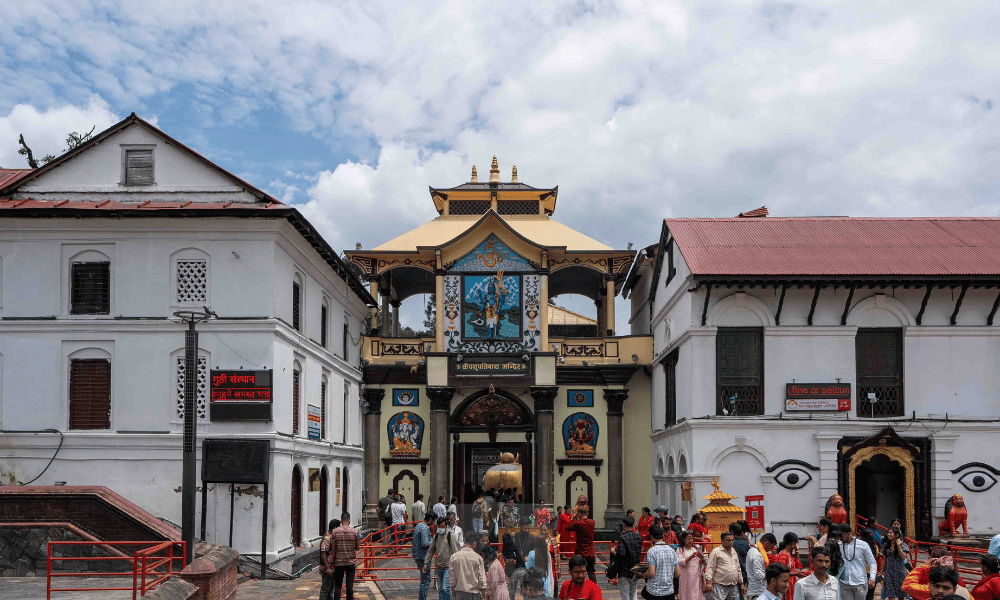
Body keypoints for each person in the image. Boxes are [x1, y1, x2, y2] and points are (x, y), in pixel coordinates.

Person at [904, 547, 970, 600]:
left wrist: (923, 567)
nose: (940, 591)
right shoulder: (960, 585)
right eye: (936, 586)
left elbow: (907, 586)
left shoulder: (929, 586)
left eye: (946, 588)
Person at [426, 517, 461, 600]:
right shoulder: (436, 537)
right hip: (439, 567)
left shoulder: (450, 536)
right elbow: (431, 551)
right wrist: (426, 563)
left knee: (446, 588)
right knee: (441, 589)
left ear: (445, 526)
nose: (440, 528)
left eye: (442, 527)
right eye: (439, 527)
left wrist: (456, 567)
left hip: (448, 567)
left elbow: (455, 552)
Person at [327, 512, 360, 600]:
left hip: (339, 562)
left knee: (338, 586)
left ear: (341, 521)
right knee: (349, 587)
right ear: (349, 520)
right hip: (350, 562)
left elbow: (333, 549)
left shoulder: (335, 532)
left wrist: (332, 561)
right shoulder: (355, 532)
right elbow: (357, 548)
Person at [839, 525, 878, 600]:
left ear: (848, 533)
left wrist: (872, 578)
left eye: (841, 535)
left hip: (860, 582)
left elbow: (872, 562)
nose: (840, 537)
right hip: (844, 583)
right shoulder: (839, 545)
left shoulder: (863, 545)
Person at [642, 525, 680, 600]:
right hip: (669, 592)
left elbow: (651, 573)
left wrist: (641, 574)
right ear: (662, 536)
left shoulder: (652, 551)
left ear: (652, 537)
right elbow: (678, 574)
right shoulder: (672, 551)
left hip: (654, 592)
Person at [706, 531, 746, 600]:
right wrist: (709, 583)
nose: (731, 542)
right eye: (728, 540)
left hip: (733, 586)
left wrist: (741, 584)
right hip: (720, 586)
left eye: (732, 540)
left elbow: (738, 568)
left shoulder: (734, 551)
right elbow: (710, 568)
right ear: (722, 540)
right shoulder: (716, 552)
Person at [451, 528, 488, 600]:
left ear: (464, 541)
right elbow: (482, 579)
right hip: (474, 594)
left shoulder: (454, 557)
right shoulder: (478, 558)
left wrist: (454, 596)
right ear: (474, 543)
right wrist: (484, 596)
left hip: (459, 593)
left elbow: (452, 580)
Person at [615, 516, 645, 600]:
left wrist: (614, 552)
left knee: (625, 595)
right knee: (633, 593)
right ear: (633, 525)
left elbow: (621, 554)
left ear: (624, 525)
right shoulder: (639, 537)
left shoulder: (623, 537)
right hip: (635, 570)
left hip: (624, 570)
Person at [775, 533, 809, 600]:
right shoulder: (783, 555)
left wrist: (797, 551)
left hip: (790, 584)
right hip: (785, 586)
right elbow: (781, 573)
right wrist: (796, 574)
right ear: (793, 543)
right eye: (796, 543)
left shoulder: (788, 554)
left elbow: (798, 564)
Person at [568, 505, 598, 582]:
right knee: (591, 572)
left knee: (579, 572)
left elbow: (568, 527)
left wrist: (573, 517)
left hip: (580, 553)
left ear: (580, 514)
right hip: (591, 552)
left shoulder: (578, 523)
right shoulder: (592, 522)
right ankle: (594, 588)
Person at [880, 527, 909, 600]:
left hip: (900, 571)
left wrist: (899, 546)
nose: (888, 534)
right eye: (888, 532)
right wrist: (881, 572)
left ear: (896, 535)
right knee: (890, 594)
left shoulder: (903, 545)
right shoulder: (886, 546)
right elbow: (884, 560)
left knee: (901, 594)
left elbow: (903, 557)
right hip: (889, 571)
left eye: (890, 533)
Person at [414, 513, 437, 600]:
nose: (434, 523)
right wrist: (434, 540)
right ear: (430, 519)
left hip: (419, 556)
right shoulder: (424, 528)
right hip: (423, 557)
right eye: (434, 521)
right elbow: (424, 543)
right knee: (426, 580)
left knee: (424, 579)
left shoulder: (419, 525)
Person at [747, 533, 778, 600]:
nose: (770, 550)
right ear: (767, 543)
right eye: (771, 547)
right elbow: (759, 576)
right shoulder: (756, 554)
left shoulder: (754, 551)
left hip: (759, 591)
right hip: (757, 592)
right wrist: (770, 573)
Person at [677, 530, 706, 600]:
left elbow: (703, 563)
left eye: (692, 539)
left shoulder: (697, 547)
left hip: (696, 576)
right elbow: (680, 562)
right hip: (685, 577)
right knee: (686, 593)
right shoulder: (680, 549)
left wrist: (702, 557)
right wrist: (691, 557)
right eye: (688, 539)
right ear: (683, 539)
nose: (690, 541)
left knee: (696, 593)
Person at [503, 532, 527, 600]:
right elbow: (505, 558)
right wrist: (508, 560)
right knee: (512, 590)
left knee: (524, 588)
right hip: (512, 570)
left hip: (521, 568)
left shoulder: (519, 545)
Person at [320, 519, 339, 600]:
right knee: (325, 590)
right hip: (327, 567)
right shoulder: (327, 538)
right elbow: (323, 553)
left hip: (333, 567)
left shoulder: (333, 536)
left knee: (331, 589)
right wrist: (327, 568)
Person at [732, 522, 752, 590]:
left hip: (733, 573)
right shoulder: (746, 545)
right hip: (745, 573)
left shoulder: (731, 545)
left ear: (732, 532)